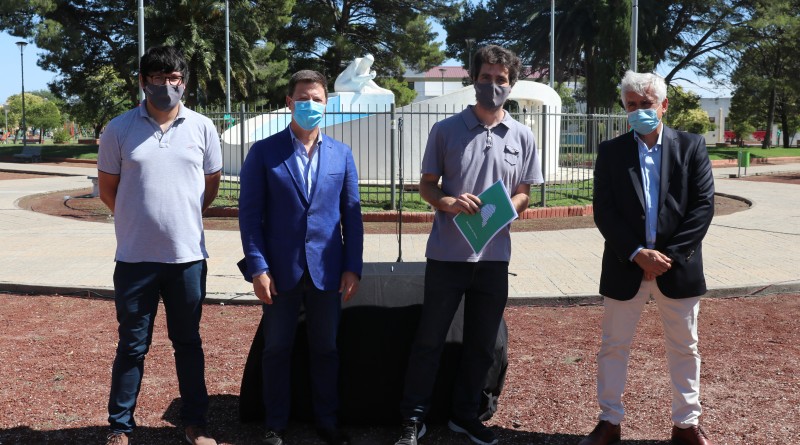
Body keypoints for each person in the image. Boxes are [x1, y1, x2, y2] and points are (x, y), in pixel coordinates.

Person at [394, 45, 542, 445]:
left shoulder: (523, 136)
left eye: (501, 79)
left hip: (494, 257)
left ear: (511, 84)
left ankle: (465, 415)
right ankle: (413, 418)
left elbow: (525, 193)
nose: (493, 85)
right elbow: (427, 185)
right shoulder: (445, 130)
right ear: (473, 79)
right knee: (429, 340)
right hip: (447, 255)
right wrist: (448, 203)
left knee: (481, 345)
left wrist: (508, 208)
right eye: (486, 77)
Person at [579, 71, 715, 445]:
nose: (639, 110)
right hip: (626, 265)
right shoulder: (611, 152)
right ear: (625, 108)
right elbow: (604, 211)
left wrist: (667, 257)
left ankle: (686, 424)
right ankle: (609, 421)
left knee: (685, 348)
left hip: (678, 267)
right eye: (632, 104)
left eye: (647, 104)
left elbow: (702, 206)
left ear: (663, 105)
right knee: (613, 347)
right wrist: (638, 254)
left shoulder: (691, 146)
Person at [97, 45, 222, 445]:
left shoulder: (202, 127)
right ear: (142, 81)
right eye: (157, 78)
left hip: (187, 258)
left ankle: (195, 424)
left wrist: (181, 218)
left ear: (184, 82)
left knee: (188, 343)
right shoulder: (119, 129)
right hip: (135, 259)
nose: (166, 85)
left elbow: (210, 185)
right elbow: (108, 190)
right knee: (132, 346)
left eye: (174, 78)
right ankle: (120, 427)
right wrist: (137, 219)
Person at [238, 69, 364, 445]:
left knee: (326, 349)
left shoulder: (342, 154)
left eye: (317, 99)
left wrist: (352, 266)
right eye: (303, 99)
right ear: (289, 102)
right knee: (277, 348)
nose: (310, 105)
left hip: (328, 270)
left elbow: (352, 216)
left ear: (327, 105)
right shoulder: (264, 152)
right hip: (279, 271)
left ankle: (326, 420)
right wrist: (258, 267)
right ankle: (275, 423)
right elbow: (250, 216)